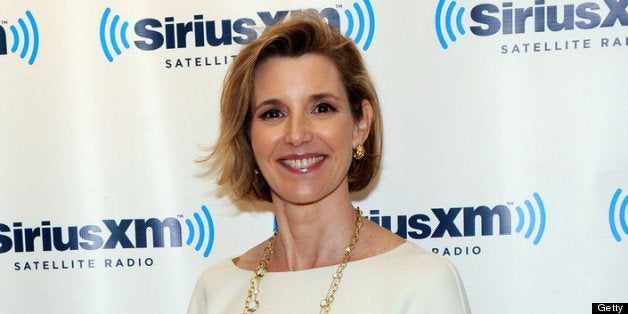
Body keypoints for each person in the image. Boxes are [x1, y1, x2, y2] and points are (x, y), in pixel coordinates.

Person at [188, 11, 470, 314]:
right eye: (273, 113)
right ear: (247, 135)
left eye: (322, 108)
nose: (296, 135)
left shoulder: (421, 282)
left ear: (360, 125)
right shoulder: (217, 290)